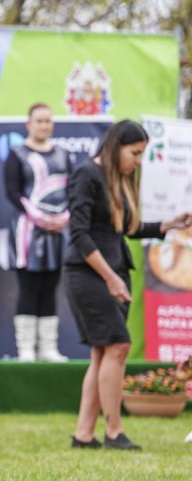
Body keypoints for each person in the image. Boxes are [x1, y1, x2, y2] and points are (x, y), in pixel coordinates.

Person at [65, 119, 192, 450]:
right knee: (119, 346)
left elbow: (128, 228)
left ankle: (84, 435)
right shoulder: (86, 174)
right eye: (135, 153)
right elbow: (79, 234)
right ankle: (114, 432)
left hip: (115, 271)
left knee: (102, 352)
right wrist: (110, 278)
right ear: (116, 146)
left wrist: (170, 224)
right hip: (89, 273)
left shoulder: (117, 179)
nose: (138, 161)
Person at [3, 103, 72, 362]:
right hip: (28, 233)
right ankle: (26, 350)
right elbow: (12, 192)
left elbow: (73, 190)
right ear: (29, 124)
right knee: (29, 287)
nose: (44, 125)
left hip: (58, 232)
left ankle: (48, 349)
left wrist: (64, 217)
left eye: (48, 120)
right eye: (39, 121)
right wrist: (41, 218)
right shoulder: (17, 154)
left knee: (50, 287)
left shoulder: (64, 155)